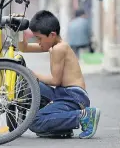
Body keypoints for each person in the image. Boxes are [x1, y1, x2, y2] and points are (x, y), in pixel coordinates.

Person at [18, 10, 100, 139]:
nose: (38, 42)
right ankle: (62, 125)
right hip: (64, 93)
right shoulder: (53, 45)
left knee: (34, 122)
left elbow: (55, 81)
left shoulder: (59, 48)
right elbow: (24, 48)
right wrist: (19, 28)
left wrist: (30, 73)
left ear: (52, 35)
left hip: (73, 97)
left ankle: (83, 116)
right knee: (32, 84)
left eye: (39, 38)